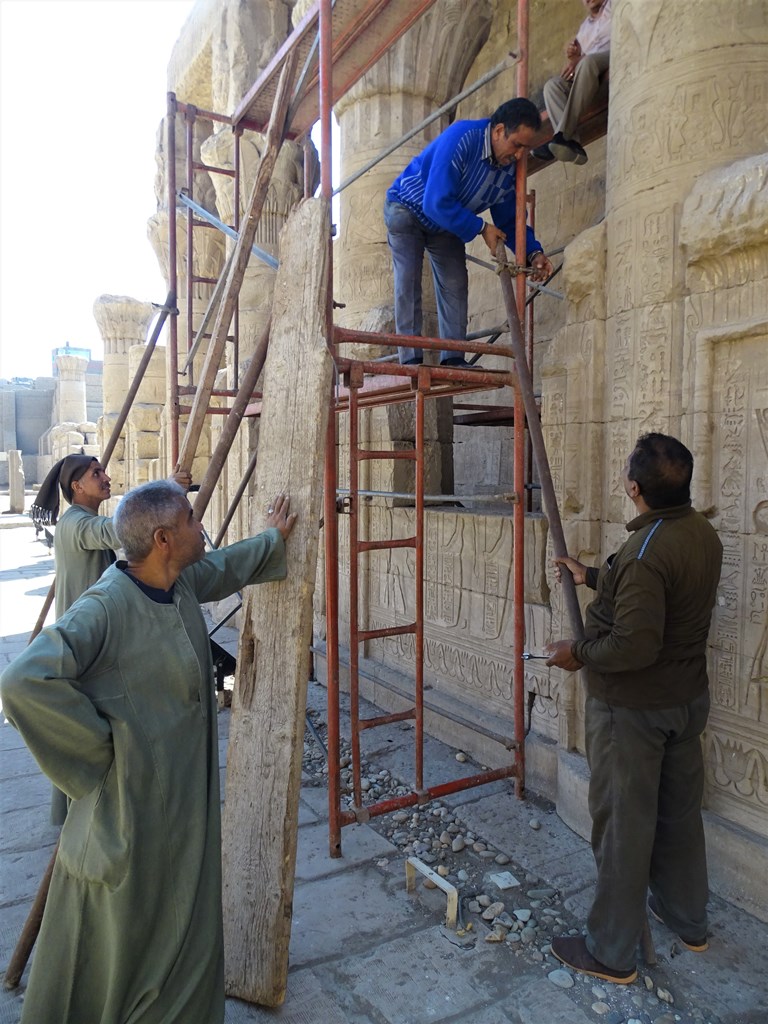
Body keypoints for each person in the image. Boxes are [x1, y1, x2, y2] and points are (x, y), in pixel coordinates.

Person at [1, 481, 297, 1024]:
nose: (198, 525)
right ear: (163, 538)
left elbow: (224, 568)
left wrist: (272, 540)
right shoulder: (106, 608)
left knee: (183, 919)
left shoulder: (177, 583)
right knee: (132, 933)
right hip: (130, 816)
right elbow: (24, 680)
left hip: (181, 804)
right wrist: (101, 754)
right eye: (189, 519)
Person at [544, 433, 723, 984]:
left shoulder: (648, 551)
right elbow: (655, 593)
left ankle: (611, 952)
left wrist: (576, 652)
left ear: (635, 488)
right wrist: (593, 576)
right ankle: (687, 919)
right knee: (677, 817)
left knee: (622, 826)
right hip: (684, 702)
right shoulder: (700, 534)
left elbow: (635, 644)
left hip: (635, 711)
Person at [31, 454, 191, 823]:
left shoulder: (77, 520)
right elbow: (118, 531)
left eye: (103, 470)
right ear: (76, 486)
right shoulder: (75, 523)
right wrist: (167, 494)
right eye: (96, 473)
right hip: (87, 641)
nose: (106, 477)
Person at [384, 97, 553, 367]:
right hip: (407, 207)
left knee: (455, 283)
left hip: (446, 220)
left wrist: (533, 252)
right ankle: (411, 358)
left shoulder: (507, 168)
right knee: (409, 279)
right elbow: (435, 201)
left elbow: (510, 219)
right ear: (498, 131)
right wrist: (481, 228)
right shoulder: (462, 138)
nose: (520, 155)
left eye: (526, 148)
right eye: (517, 145)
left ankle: (452, 358)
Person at [532, 0, 611, 165]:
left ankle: (560, 134)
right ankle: (571, 142)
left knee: (587, 62)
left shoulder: (614, 6)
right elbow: (581, 59)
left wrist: (581, 60)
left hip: (613, 55)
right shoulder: (584, 28)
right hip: (590, 72)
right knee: (552, 86)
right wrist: (574, 59)